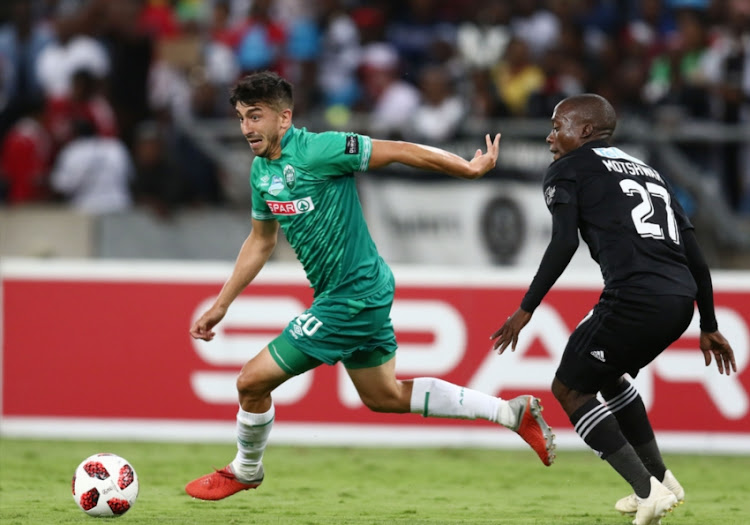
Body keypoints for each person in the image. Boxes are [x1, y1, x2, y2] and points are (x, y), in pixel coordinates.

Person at [185, 71, 556, 501]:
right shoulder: (260, 173)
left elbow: (398, 150)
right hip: (346, 293)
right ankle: (513, 413)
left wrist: (466, 168)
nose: (247, 128)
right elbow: (261, 240)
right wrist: (222, 303)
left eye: (255, 116)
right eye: (241, 118)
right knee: (384, 396)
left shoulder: (321, 149)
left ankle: (245, 469)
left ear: (283, 118)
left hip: (354, 295)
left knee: (251, 382)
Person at [490, 94, 737, 525]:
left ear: (585, 131)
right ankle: (662, 481)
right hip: (679, 301)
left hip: (634, 298)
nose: (550, 137)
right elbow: (695, 254)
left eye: (557, 126)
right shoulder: (649, 171)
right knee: (605, 375)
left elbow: (564, 242)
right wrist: (708, 322)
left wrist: (526, 308)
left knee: (569, 389)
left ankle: (647, 492)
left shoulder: (569, 168)